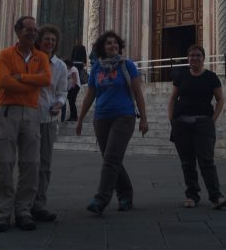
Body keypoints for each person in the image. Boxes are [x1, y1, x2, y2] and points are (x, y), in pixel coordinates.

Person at [76, 30, 148, 215]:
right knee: (111, 159)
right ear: (102, 47)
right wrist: (80, 119)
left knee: (111, 159)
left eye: (115, 43)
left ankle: (101, 199)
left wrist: (144, 119)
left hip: (124, 116)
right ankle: (126, 195)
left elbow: (138, 93)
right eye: (109, 43)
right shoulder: (97, 69)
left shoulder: (128, 66)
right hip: (101, 118)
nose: (113, 46)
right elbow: (90, 95)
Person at [0, 16, 51, 233]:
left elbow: (46, 80)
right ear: (18, 32)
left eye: (35, 29)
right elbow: (3, 81)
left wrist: (21, 79)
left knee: (31, 164)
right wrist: (31, 84)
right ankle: (3, 212)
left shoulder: (41, 57)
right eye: (29, 29)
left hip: (32, 113)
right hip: (7, 111)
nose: (33, 32)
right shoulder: (5, 54)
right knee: (3, 162)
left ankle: (24, 211)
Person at [168, 45, 226, 210]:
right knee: (187, 162)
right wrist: (171, 119)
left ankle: (216, 196)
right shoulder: (181, 76)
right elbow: (173, 98)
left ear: (203, 58)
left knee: (206, 160)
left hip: (203, 123)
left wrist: (212, 120)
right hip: (182, 123)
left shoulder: (211, 77)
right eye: (191, 55)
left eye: (198, 55)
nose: (194, 58)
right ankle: (192, 195)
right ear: (188, 58)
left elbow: (220, 100)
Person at [31, 25, 68, 223]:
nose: (50, 42)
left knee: (44, 164)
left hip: (48, 119)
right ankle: (23, 203)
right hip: (28, 117)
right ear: (39, 40)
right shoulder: (31, 60)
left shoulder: (60, 66)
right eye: (46, 39)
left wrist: (60, 104)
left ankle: (39, 204)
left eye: (53, 40)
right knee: (28, 162)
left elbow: (62, 92)